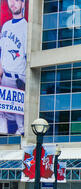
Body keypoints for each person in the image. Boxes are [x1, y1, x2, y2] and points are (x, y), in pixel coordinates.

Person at [0, 0, 26, 135]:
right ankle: (3, 147)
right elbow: (2, 50)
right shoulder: (5, 26)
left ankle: (19, 148)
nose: (13, 3)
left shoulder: (26, 27)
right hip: (4, 76)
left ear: (23, 3)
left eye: (17, 0)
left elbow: (29, 56)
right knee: (2, 113)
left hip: (17, 78)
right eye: (11, 0)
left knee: (19, 119)